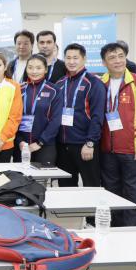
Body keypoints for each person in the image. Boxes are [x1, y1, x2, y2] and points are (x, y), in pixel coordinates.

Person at [99, 42, 136, 226]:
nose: (117, 61)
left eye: (120, 56)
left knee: (134, 193)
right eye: (112, 57)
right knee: (111, 193)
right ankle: (116, 230)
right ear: (104, 62)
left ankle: (134, 232)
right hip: (107, 151)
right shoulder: (101, 83)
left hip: (133, 151)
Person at [55, 43, 106, 188]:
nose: (71, 62)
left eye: (75, 58)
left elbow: (97, 117)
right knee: (66, 187)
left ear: (84, 59)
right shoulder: (60, 83)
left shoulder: (93, 83)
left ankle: (94, 211)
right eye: (68, 58)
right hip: (63, 146)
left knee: (92, 185)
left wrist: (90, 143)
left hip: (84, 145)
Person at [15, 55, 62, 165]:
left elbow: (55, 120)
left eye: (38, 68)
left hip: (44, 145)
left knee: (42, 180)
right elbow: (12, 117)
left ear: (45, 69)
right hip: (22, 146)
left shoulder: (54, 90)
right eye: (30, 67)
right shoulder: (19, 89)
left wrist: (40, 142)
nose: (34, 71)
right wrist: (19, 141)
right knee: (20, 180)